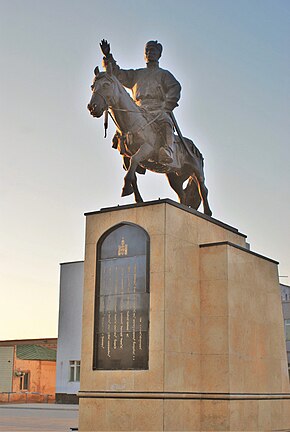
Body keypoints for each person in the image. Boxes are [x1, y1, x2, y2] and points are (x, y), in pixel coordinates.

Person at [100, 39, 181, 164]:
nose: (150, 53)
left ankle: (167, 150)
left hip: (157, 109)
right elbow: (118, 74)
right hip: (138, 109)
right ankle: (125, 150)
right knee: (122, 124)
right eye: (147, 51)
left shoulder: (164, 74)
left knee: (166, 122)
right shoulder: (137, 74)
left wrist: (168, 104)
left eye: (153, 50)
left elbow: (175, 87)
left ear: (159, 54)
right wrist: (108, 56)